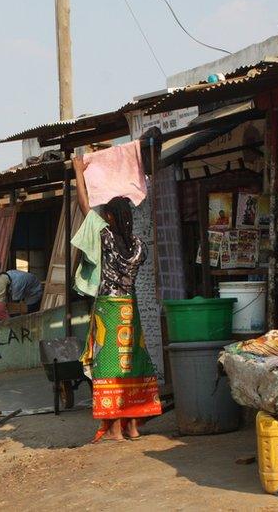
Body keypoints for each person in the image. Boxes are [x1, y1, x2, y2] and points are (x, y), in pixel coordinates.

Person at [72, 154, 162, 443]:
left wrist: (79, 175)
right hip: (130, 308)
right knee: (132, 361)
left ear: (110, 218)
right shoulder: (139, 247)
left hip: (109, 309)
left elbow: (84, 207)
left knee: (107, 364)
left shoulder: (106, 238)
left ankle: (114, 429)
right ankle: (133, 426)